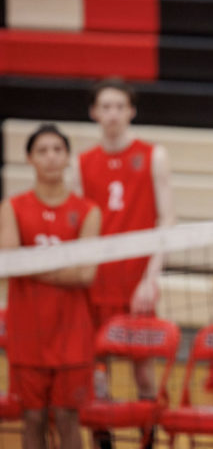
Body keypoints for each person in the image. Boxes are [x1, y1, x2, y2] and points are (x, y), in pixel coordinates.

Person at [73, 78, 175, 449]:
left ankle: (149, 441)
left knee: (143, 374)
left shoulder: (153, 155)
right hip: (96, 283)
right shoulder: (82, 163)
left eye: (119, 106)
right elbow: (79, 228)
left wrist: (150, 279)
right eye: (106, 106)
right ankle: (104, 443)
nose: (113, 114)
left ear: (131, 111)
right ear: (94, 112)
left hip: (136, 284)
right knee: (97, 376)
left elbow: (167, 220)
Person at [0, 124, 102, 449]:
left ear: (68, 157)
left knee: (68, 419)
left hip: (72, 336)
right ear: (29, 158)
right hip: (27, 335)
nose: (51, 157)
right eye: (42, 150)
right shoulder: (12, 207)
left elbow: (85, 275)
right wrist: (60, 266)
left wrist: (30, 263)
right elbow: (8, 264)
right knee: (32, 420)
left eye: (58, 150)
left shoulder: (88, 211)